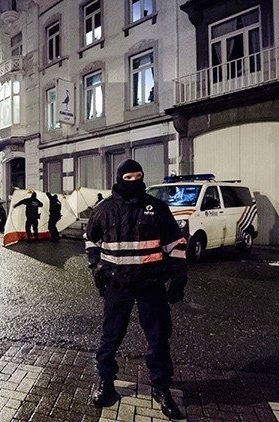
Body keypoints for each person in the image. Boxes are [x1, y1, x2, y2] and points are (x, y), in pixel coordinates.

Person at [84, 159, 187, 419]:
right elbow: (91, 239)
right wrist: (96, 267)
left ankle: (161, 388)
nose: (133, 182)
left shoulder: (157, 208)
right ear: (119, 179)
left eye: (137, 177)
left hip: (151, 285)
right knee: (110, 337)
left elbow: (175, 244)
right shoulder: (104, 209)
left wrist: (178, 280)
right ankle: (106, 383)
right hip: (117, 285)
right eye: (128, 178)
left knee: (158, 338)